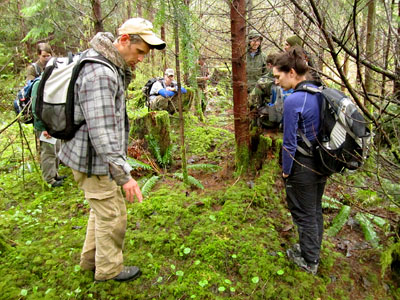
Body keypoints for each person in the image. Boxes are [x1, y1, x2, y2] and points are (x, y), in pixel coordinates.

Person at [59, 18, 166, 282]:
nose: (141, 59)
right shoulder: (101, 73)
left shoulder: (106, 63)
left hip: (93, 158)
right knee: (113, 215)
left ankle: (89, 261)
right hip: (92, 160)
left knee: (103, 210)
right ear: (125, 40)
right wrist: (125, 176)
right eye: (140, 52)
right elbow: (102, 131)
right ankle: (108, 271)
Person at [272, 46, 327, 275]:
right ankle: (312, 251)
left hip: (303, 167)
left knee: (304, 214)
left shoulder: (294, 100)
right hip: (321, 163)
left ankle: (309, 261)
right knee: (314, 210)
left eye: (278, 76)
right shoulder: (319, 92)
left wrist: (286, 171)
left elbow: (290, 142)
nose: (276, 82)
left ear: (292, 72)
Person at [28, 43, 64, 187]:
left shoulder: (51, 82)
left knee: (56, 149)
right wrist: (43, 127)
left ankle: (55, 174)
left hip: (52, 122)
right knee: (48, 151)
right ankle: (49, 180)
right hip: (43, 125)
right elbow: (37, 108)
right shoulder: (39, 83)